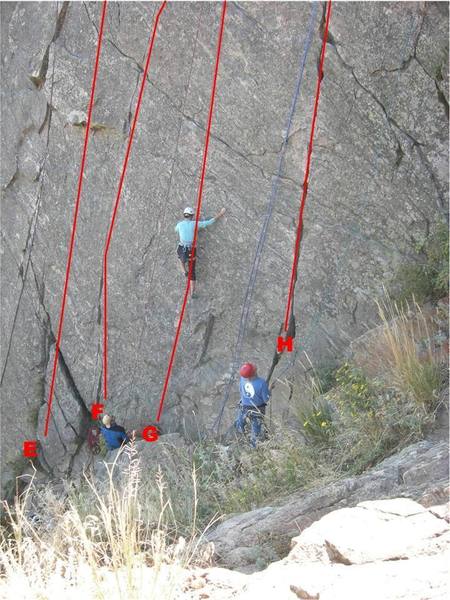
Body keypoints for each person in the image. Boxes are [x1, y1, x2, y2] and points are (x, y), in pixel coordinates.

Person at [175, 206, 226, 297]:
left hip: (182, 248)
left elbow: (176, 230)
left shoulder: (180, 224)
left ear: (184, 215)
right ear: (192, 216)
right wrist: (221, 214)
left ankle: (184, 271)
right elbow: (208, 223)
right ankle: (192, 293)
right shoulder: (195, 224)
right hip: (191, 250)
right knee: (192, 271)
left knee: (180, 258)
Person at [235, 362, 270, 447]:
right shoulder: (262, 383)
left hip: (244, 407)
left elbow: (241, 391)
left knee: (239, 423)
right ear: (254, 372)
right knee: (256, 429)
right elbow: (266, 399)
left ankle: (240, 438)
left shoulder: (242, 379)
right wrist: (269, 390)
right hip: (257, 410)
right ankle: (253, 447)